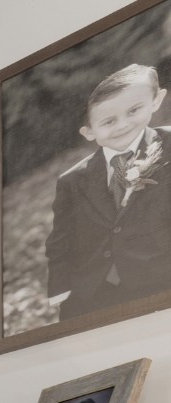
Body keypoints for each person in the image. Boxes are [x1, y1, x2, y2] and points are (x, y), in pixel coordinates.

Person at [45, 64, 171, 320]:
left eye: (133, 110)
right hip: (93, 292)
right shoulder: (72, 180)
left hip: (160, 280)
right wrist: (61, 291)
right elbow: (60, 242)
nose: (122, 125)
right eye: (108, 121)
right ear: (89, 132)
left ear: (156, 101)